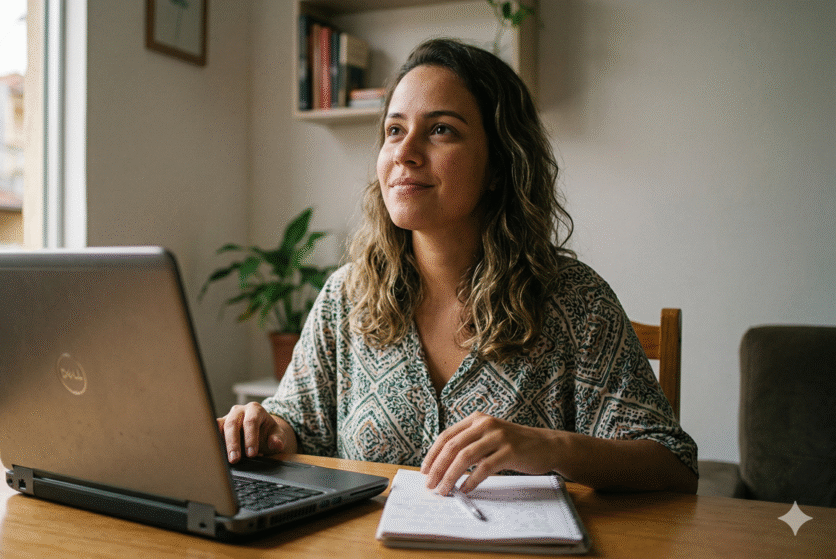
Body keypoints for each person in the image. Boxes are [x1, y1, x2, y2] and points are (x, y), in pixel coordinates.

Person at [219, 38, 698, 495]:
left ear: (498, 164)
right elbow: (298, 425)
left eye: (441, 129)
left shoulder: (575, 301)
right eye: (394, 130)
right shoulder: (347, 296)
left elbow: (673, 465)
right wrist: (265, 426)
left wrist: (549, 447)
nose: (404, 152)